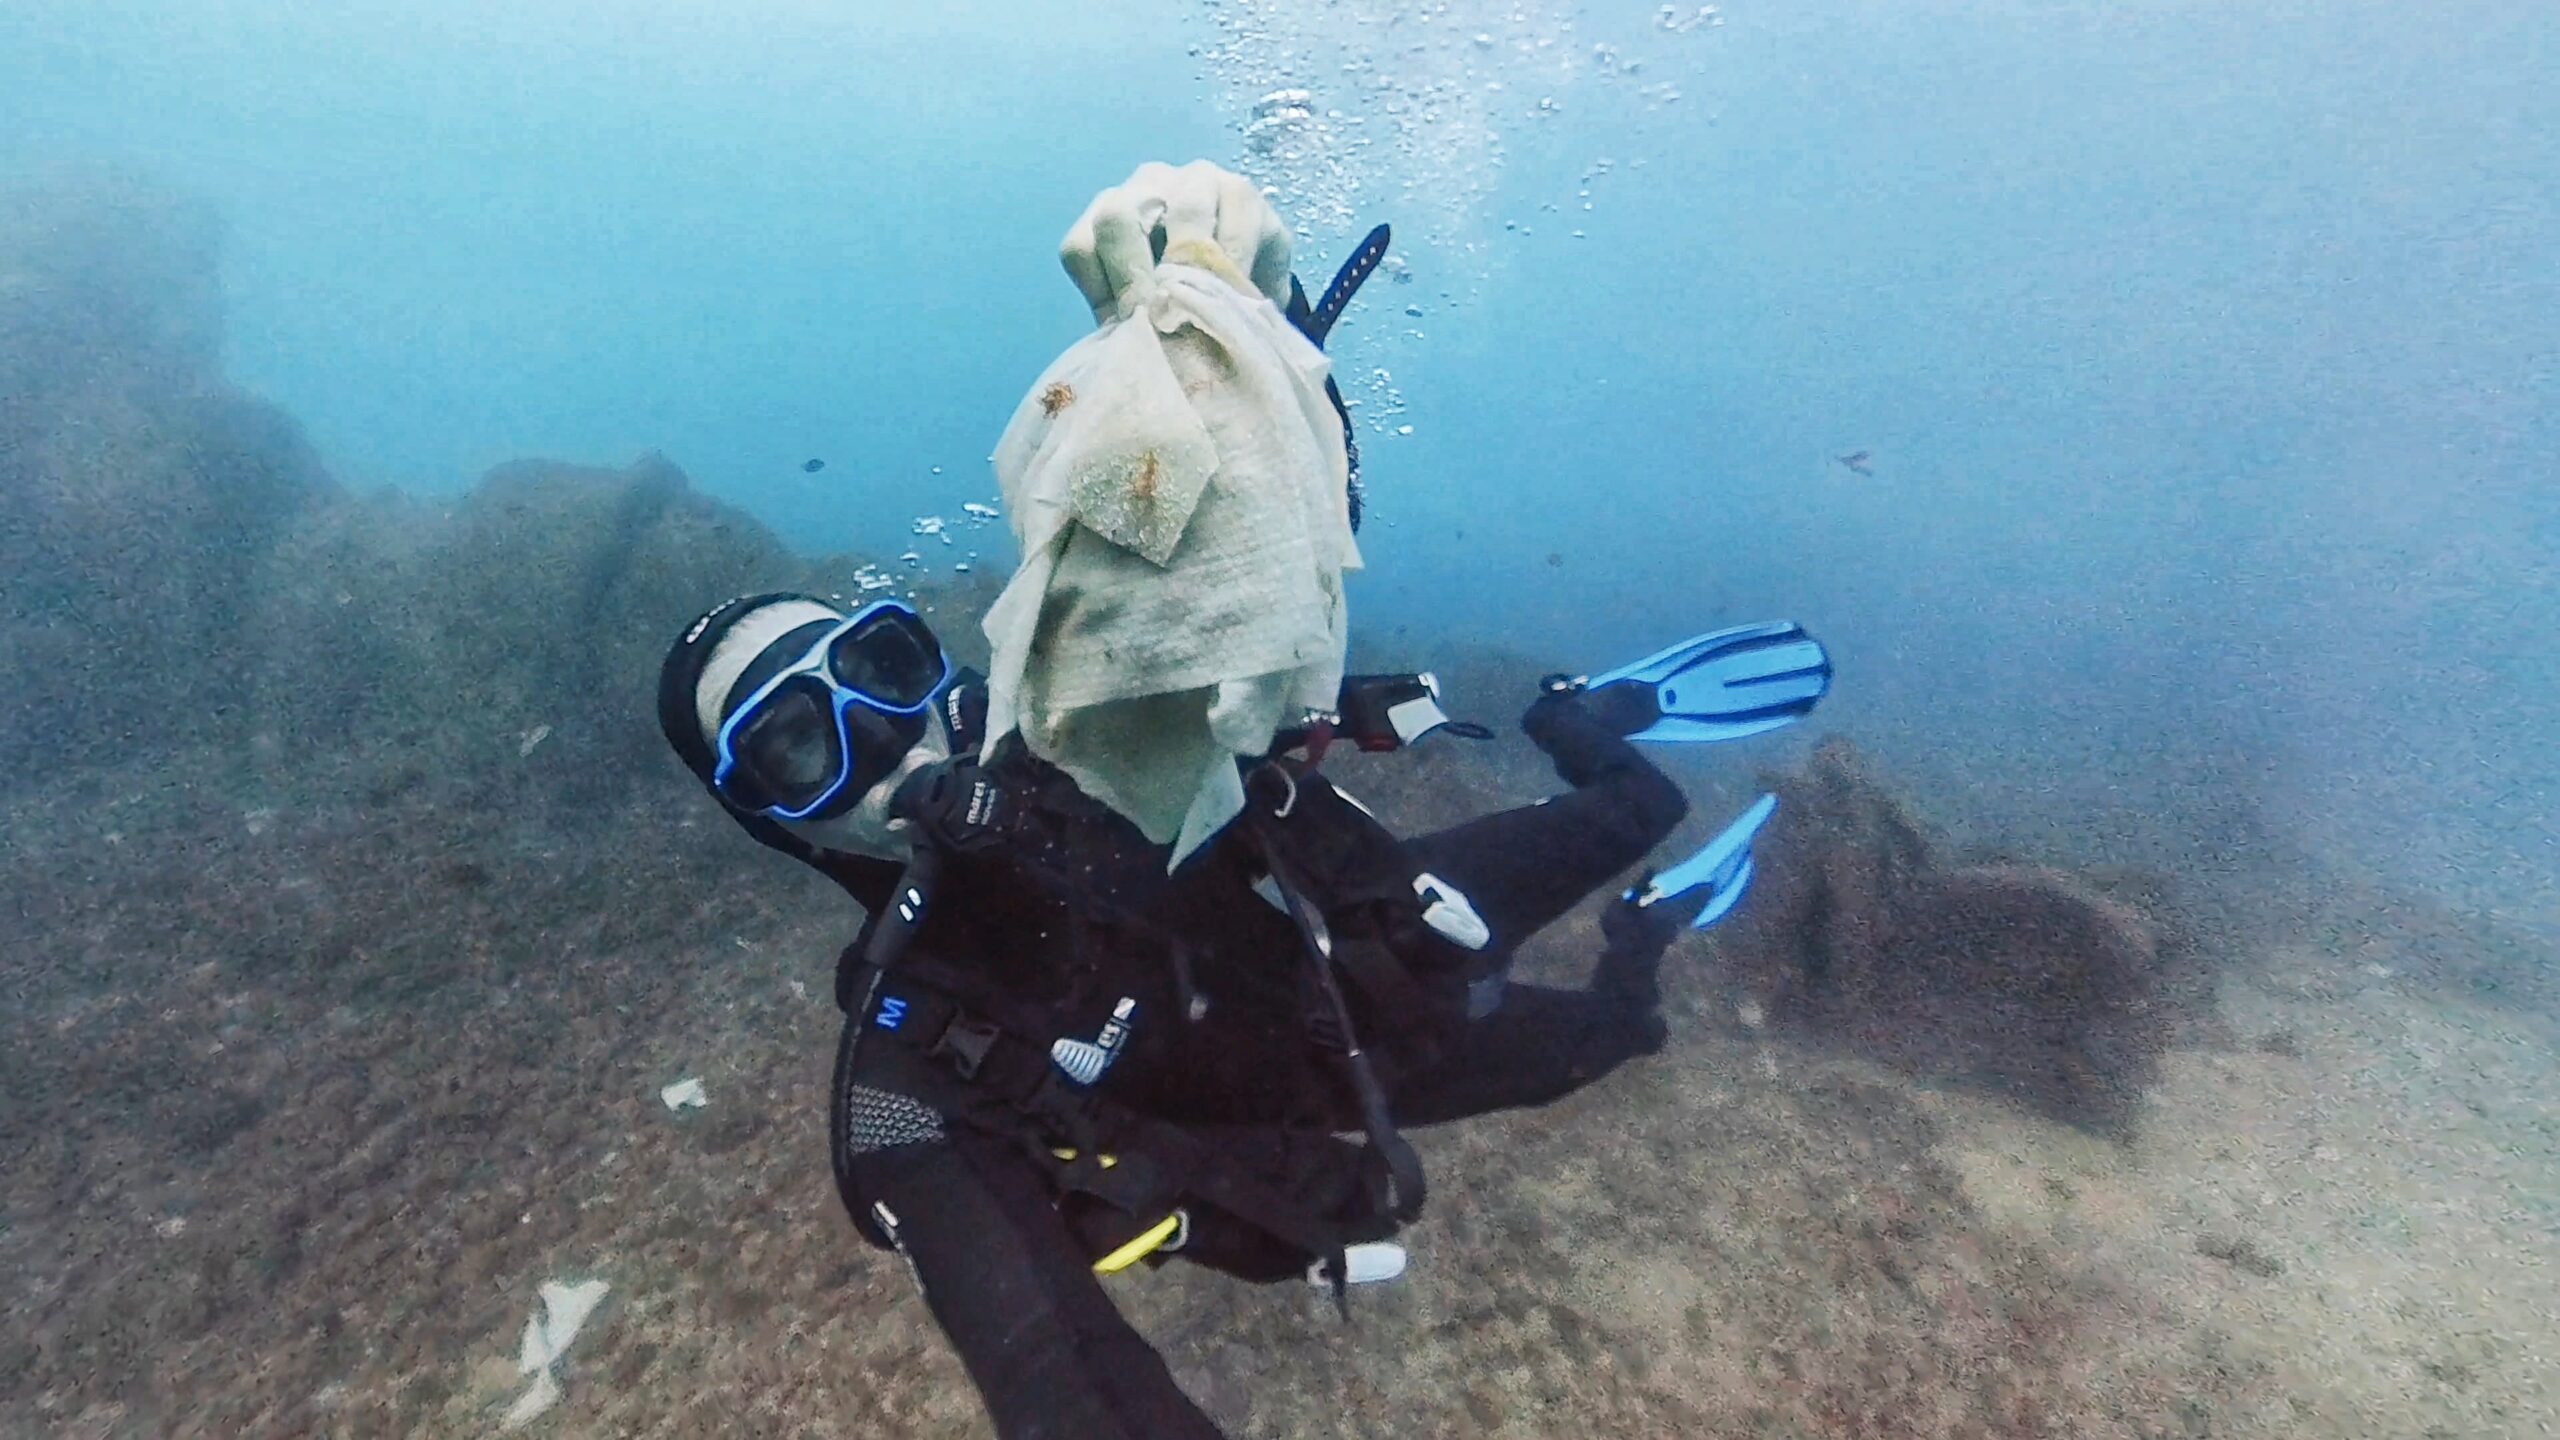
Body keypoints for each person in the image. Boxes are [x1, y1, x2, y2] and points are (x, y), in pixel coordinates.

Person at [655, 162, 1830, 1438]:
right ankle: (1648, 932)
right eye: (792, 745)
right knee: (1609, 1042)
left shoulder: (1087, 730)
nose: (879, 735)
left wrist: (1247, 377)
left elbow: (1223, 595)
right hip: (1337, 1090)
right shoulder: (906, 1085)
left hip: (1381, 931)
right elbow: (1063, 1383)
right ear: (777, 821)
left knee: (1635, 800)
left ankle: (1580, 717)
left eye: (878, 669)